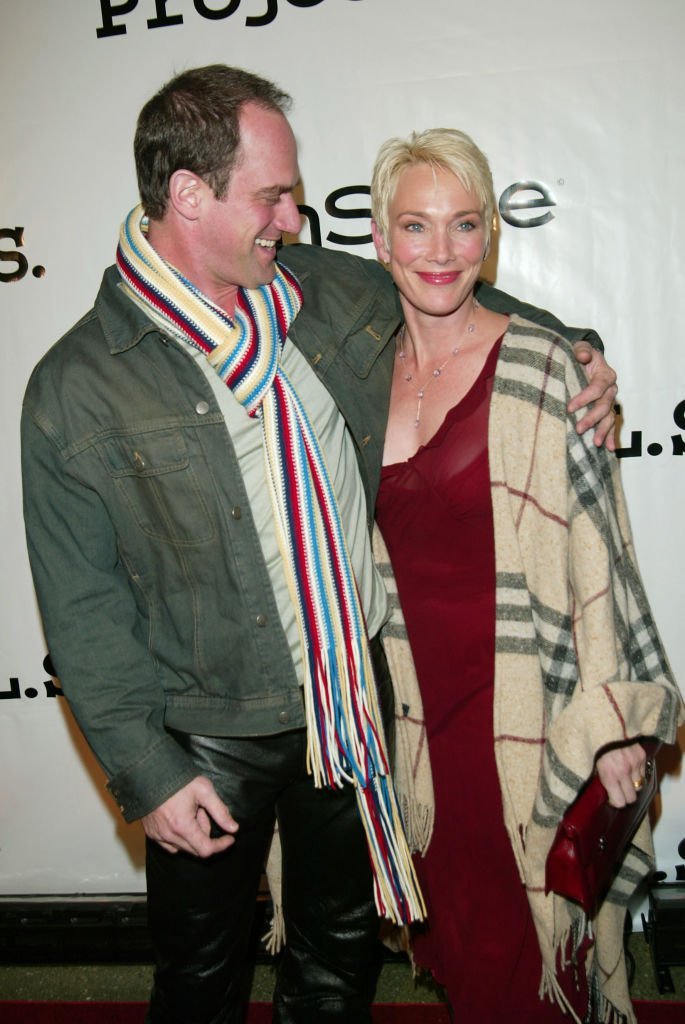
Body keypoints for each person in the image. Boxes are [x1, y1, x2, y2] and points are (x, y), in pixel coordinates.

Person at [21, 65, 618, 1024]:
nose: (294, 217)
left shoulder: (316, 291)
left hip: (349, 702)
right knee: (201, 980)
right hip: (205, 735)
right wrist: (148, 772)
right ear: (188, 195)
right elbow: (82, 606)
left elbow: (460, 310)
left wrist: (578, 348)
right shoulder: (76, 385)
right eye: (270, 195)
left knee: (339, 964)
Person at [369, 128, 684, 1023]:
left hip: (529, 714)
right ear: (381, 240)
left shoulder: (546, 366)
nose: (441, 251)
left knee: (532, 962)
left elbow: (602, 555)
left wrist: (616, 722)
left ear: (489, 237)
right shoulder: (356, 373)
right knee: (467, 956)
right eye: (417, 227)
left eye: (463, 225)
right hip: (416, 733)